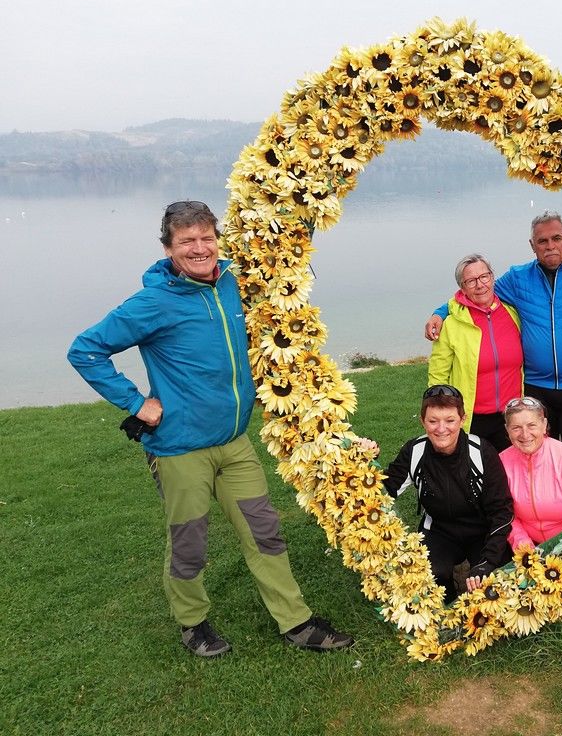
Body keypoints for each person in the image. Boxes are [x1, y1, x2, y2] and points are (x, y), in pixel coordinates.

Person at [67, 200, 353, 658]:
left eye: (206, 238)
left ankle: (296, 622)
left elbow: (287, 258)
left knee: (264, 532)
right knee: (190, 542)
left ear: (217, 240)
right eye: (187, 241)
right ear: (168, 248)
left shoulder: (233, 283)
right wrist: (137, 404)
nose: (199, 248)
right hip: (180, 449)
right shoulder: (152, 303)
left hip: (234, 442)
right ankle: (192, 624)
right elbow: (85, 350)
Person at [426, 211, 562, 453]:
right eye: (542, 241)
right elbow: (477, 294)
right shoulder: (518, 278)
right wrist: (440, 312)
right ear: (532, 245)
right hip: (535, 388)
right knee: (534, 454)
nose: (550, 246)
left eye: (556, 238)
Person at [383, 385, 514, 602]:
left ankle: (472, 573)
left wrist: (487, 561)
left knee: (494, 581)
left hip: (480, 529)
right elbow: (383, 491)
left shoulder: (482, 451)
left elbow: (502, 510)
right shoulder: (414, 451)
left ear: (462, 420)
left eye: (450, 420)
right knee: (425, 578)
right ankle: (448, 603)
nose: (441, 429)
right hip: (438, 529)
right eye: (433, 421)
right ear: (422, 421)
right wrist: (364, 459)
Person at [427, 254, 523, 452]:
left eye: (484, 277)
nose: (480, 285)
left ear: (492, 277)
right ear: (462, 288)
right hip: (472, 418)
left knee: (509, 470)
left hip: (512, 416)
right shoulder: (451, 324)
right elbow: (437, 376)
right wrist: (441, 415)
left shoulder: (513, 313)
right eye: (471, 281)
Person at [499, 396, 562, 551]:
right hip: (524, 546)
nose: (525, 434)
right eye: (516, 428)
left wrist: (561, 549)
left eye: (531, 425)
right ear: (507, 429)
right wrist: (523, 545)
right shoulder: (501, 462)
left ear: (544, 425)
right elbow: (503, 512)